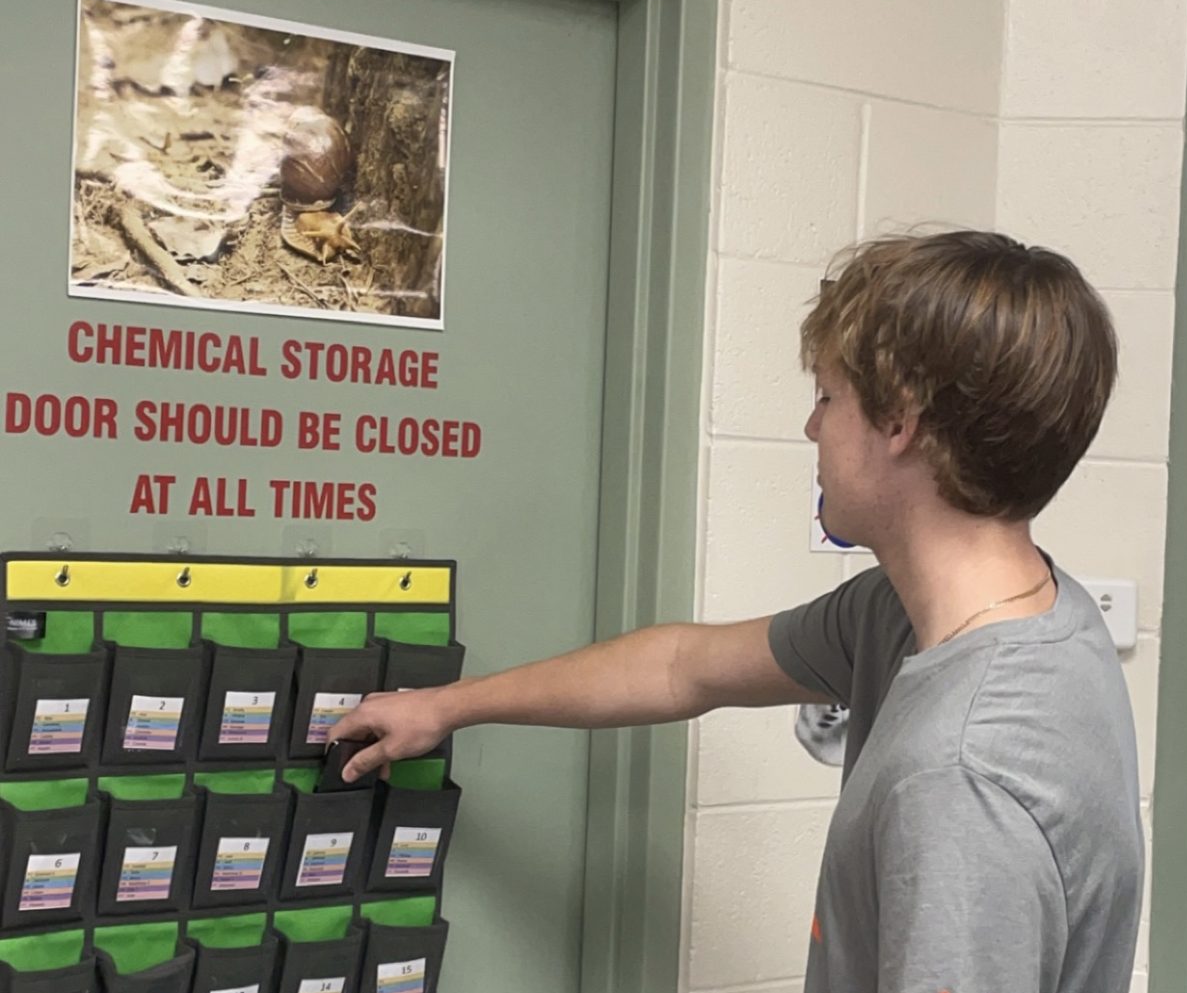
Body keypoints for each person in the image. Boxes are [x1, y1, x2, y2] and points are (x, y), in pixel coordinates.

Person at [330, 230, 1143, 992]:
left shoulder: (963, 779)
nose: (812, 426)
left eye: (828, 396)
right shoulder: (999, 615)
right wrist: (446, 706)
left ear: (900, 420)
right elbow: (682, 667)